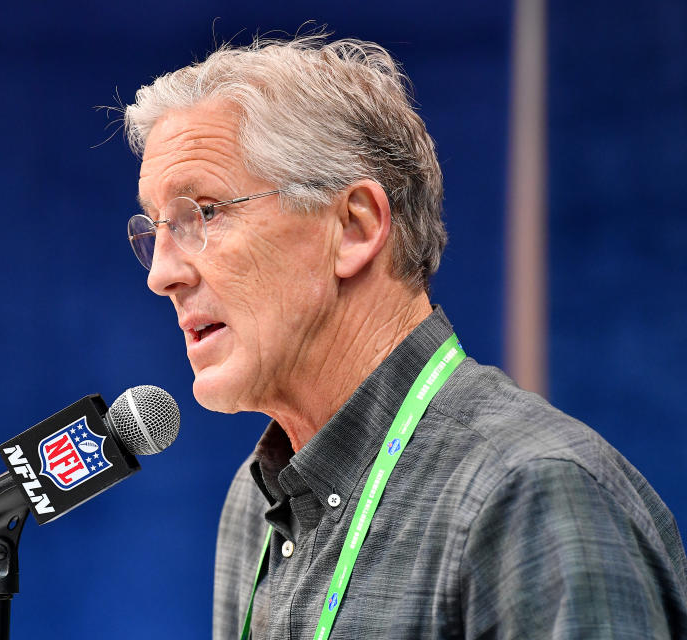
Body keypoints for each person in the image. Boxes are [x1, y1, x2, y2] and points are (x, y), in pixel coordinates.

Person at [121, 34, 687, 639]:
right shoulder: (256, 501)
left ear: (354, 227)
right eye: (155, 229)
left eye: (203, 213)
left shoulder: (532, 492)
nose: (161, 274)